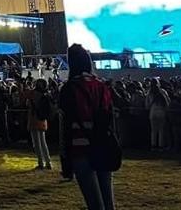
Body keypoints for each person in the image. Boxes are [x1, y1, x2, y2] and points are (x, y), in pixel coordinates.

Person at [59, 44, 117, 210]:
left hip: (80, 149)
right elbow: (109, 118)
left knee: (94, 204)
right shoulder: (101, 86)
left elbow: (65, 127)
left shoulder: (69, 88)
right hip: (102, 145)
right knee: (108, 203)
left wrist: (65, 159)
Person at [29, 78, 54, 170]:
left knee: (37, 143)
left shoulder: (33, 94)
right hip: (43, 119)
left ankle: (40, 162)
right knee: (43, 142)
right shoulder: (46, 94)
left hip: (34, 118)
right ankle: (48, 162)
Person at [148, 78, 169, 152]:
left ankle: (153, 145)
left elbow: (147, 103)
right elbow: (167, 102)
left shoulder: (150, 92)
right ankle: (160, 146)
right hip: (161, 111)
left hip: (152, 112)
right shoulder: (162, 91)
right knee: (161, 130)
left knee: (153, 130)